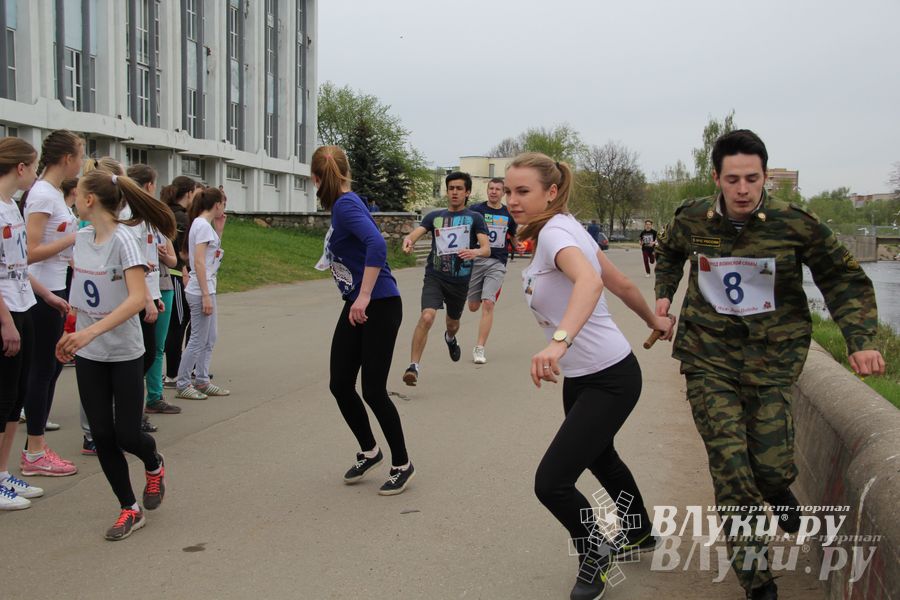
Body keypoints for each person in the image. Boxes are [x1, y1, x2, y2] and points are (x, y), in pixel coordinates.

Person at [653, 129, 885, 600]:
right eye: (733, 179)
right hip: (708, 357)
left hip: (773, 360)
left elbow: (842, 277)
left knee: (772, 469)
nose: (743, 189)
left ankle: (779, 490)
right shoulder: (693, 217)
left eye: (753, 179)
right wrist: (663, 296)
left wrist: (859, 339)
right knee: (732, 472)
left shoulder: (794, 223)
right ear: (716, 177)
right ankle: (758, 581)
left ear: (764, 178)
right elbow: (670, 252)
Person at [507, 153, 674, 600]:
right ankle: (637, 531)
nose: (512, 200)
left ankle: (593, 551)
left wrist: (557, 342)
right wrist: (651, 321)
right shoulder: (563, 226)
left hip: (610, 379)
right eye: (508, 191)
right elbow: (619, 280)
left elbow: (593, 283)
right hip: (587, 377)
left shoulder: (559, 232)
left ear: (551, 191)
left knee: (552, 483)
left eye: (523, 191)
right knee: (602, 459)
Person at [55, 169, 176, 540]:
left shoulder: (124, 241)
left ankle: (153, 464)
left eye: (76, 193)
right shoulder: (82, 237)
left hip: (123, 351)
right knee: (102, 436)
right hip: (90, 353)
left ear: (89, 200)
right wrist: (69, 332)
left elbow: (137, 298)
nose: (72, 197)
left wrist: (88, 331)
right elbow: (77, 288)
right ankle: (129, 508)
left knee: (127, 434)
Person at [312, 145, 414, 495]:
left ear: (315, 178)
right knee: (340, 383)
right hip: (359, 304)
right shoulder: (346, 204)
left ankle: (402, 463)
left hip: (379, 304)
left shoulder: (345, 205)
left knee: (372, 389)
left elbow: (377, 245)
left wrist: (365, 294)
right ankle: (370, 450)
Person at [0, 138, 70, 509]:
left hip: (25, 303)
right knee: (3, 398)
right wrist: (6, 321)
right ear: (22, 168)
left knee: (14, 402)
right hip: (7, 313)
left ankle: (3, 473)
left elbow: (17, 267)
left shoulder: (11, 206)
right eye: (32, 165)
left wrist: (45, 294)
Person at [21, 129, 82, 476]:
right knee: (43, 369)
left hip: (56, 289)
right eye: (81, 154)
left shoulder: (53, 194)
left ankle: (37, 444)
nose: (83, 161)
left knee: (52, 367)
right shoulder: (43, 195)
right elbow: (28, 252)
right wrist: (74, 238)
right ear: (66, 158)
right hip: (41, 292)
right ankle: (34, 450)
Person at [400, 172, 489, 385]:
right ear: (447, 191)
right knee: (427, 316)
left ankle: (450, 339)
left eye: (459, 188)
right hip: (435, 276)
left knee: (452, 324)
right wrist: (409, 241)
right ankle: (413, 367)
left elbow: (486, 248)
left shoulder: (475, 218)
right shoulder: (434, 217)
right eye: (451, 188)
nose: (455, 192)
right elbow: (414, 234)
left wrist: (474, 252)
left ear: (467, 192)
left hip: (459, 280)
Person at [127, 165, 181, 417]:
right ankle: (133, 406)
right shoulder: (130, 218)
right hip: (142, 291)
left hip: (162, 287)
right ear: (149, 186)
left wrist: (163, 255)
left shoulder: (157, 220)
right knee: (141, 351)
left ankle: (155, 396)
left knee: (154, 348)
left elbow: (173, 261)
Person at [175, 187, 229, 400]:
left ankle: (202, 379)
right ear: (217, 205)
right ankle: (183, 382)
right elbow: (197, 260)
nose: (224, 209)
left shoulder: (202, 225)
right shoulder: (202, 226)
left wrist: (220, 230)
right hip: (201, 291)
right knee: (198, 338)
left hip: (206, 288)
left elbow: (209, 257)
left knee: (209, 337)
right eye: (223, 204)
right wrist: (206, 295)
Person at [466, 177, 517, 364]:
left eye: (498, 189)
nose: (494, 192)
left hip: (497, 262)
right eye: (491, 188)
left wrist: (517, 244)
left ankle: (479, 348)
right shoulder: (476, 210)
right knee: (473, 307)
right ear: (487, 191)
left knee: (488, 303)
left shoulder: (508, 213)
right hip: (477, 260)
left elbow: (513, 233)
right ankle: (481, 294)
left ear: (503, 193)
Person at [161, 176, 196, 389]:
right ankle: (173, 373)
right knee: (178, 324)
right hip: (176, 274)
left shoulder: (171, 213)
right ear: (189, 193)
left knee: (177, 323)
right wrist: (185, 267)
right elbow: (182, 249)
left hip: (173, 273)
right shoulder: (180, 217)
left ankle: (176, 370)